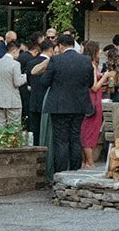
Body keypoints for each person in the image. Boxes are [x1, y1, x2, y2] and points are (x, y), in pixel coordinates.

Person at [35, 32, 94, 175]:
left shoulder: (56, 60)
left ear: (60, 46)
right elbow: (90, 83)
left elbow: (44, 82)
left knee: (61, 141)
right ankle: (75, 171)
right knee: (75, 138)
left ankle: (60, 174)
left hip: (59, 106)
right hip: (79, 105)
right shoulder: (86, 60)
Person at [82, 41, 112, 166]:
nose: (100, 52)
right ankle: (90, 162)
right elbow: (94, 87)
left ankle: (84, 161)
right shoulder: (92, 66)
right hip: (93, 100)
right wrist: (105, 76)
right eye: (98, 50)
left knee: (84, 130)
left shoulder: (84, 63)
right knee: (89, 132)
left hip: (88, 99)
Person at [0, 40, 26, 127]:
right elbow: (17, 82)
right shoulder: (16, 64)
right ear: (15, 51)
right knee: (14, 128)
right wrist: (25, 77)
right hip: (12, 101)